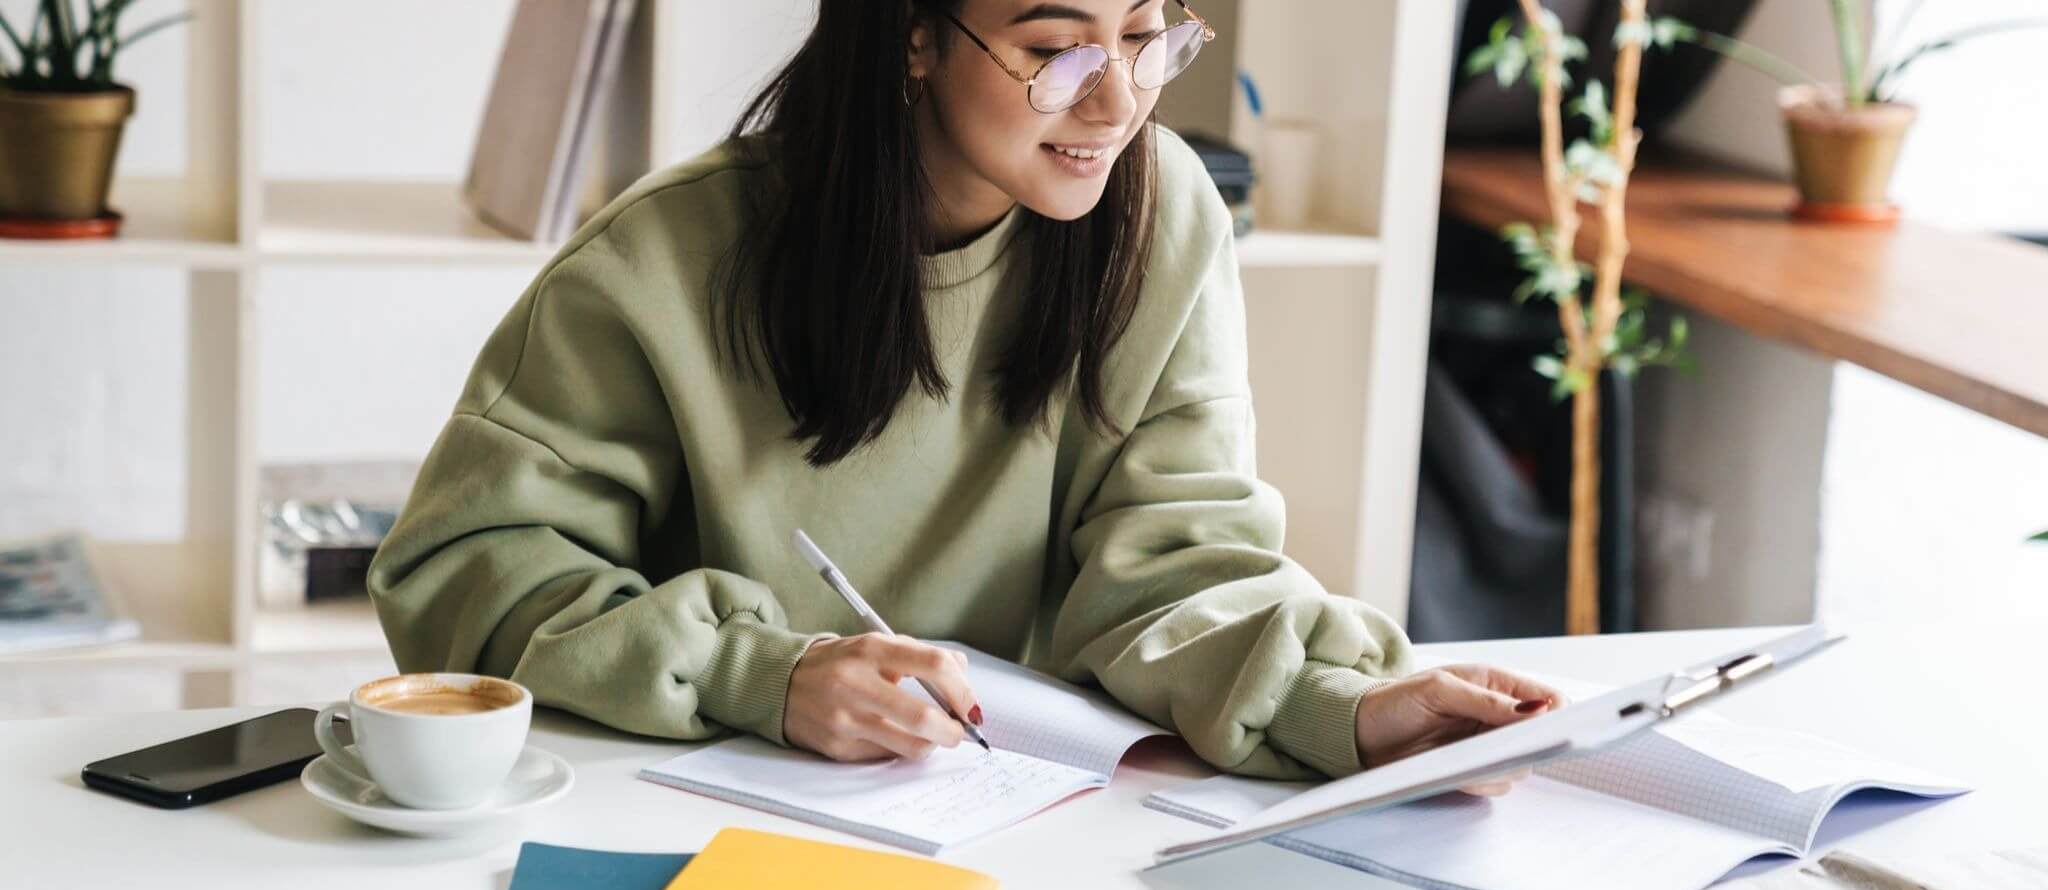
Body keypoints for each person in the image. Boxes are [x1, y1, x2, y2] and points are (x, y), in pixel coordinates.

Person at [367, 0, 1560, 790]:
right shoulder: (662, 262)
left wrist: (1347, 704)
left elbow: (1177, 567)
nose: (1117, 101)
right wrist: (761, 673)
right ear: (912, 38)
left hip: (1018, 818)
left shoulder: (1164, 213)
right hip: (696, 816)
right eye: (1055, 51)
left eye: (1148, 33)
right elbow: (466, 571)